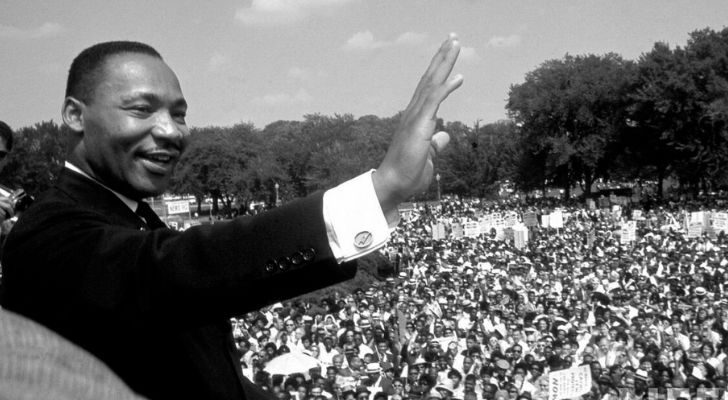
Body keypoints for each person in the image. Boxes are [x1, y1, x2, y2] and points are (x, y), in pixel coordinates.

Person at [0, 34, 463, 400]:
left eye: (179, 114)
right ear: (74, 115)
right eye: (141, 109)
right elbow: (179, 268)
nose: (169, 130)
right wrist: (379, 190)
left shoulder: (135, 220)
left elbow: (203, 377)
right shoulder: (48, 235)